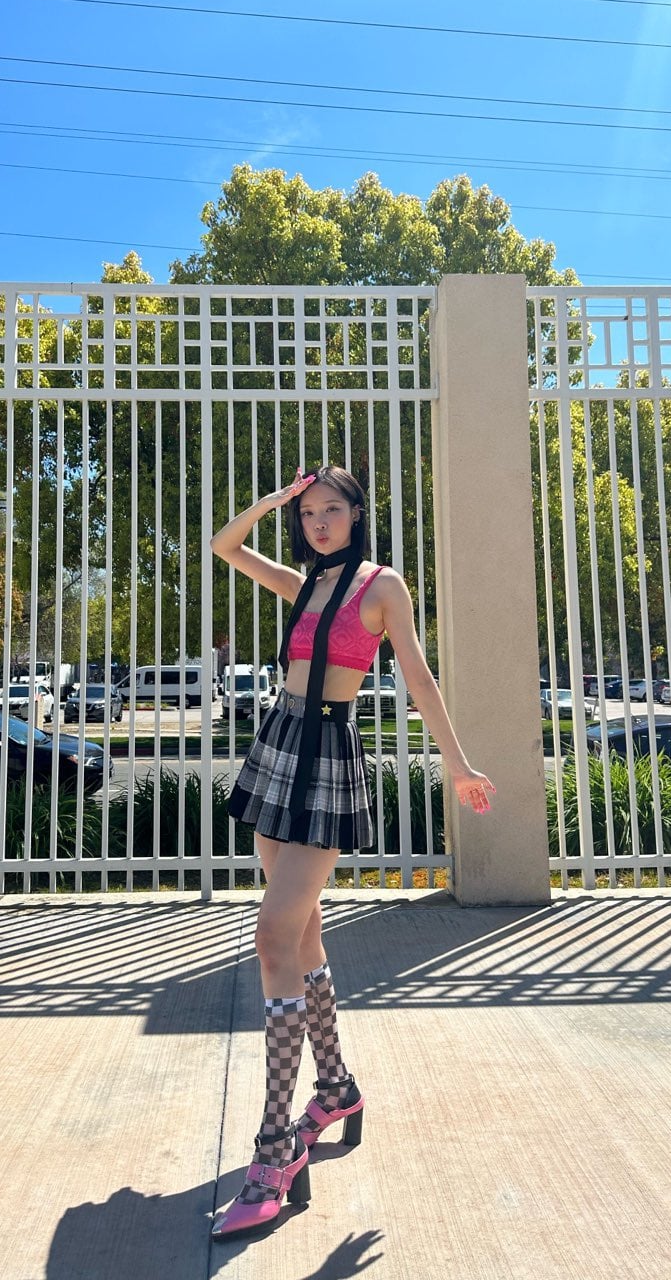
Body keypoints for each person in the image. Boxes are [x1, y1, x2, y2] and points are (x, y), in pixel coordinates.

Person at [208, 463, 496, 1241]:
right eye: (308, 514)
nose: (318, 523)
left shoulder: (381, 586)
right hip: (277, 745)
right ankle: (334, 1089)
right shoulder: (304, 583)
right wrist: (270, 502)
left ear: (357, 512)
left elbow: (419, 678)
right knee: (300, 936)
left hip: (328, 756)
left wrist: (458, 764)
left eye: (331, 510)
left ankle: (275, 1147)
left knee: (274, 937)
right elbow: (225, 546)